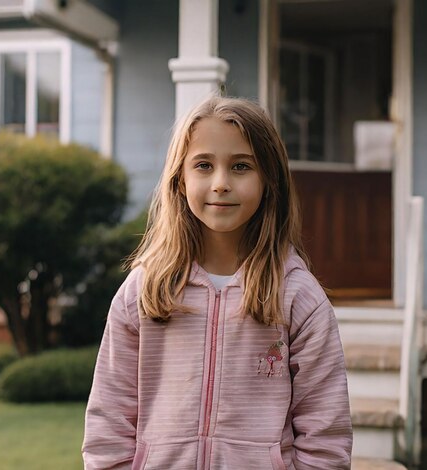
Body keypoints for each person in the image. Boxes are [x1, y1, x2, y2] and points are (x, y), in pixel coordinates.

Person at [82, 96, 352, 469]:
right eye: (204, 165)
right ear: (179, 181)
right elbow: (109, 420)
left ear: (269, 180)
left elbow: (325, 432)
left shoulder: (298, 297)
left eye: (241, 166)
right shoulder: (144, 292)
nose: (221, 183)